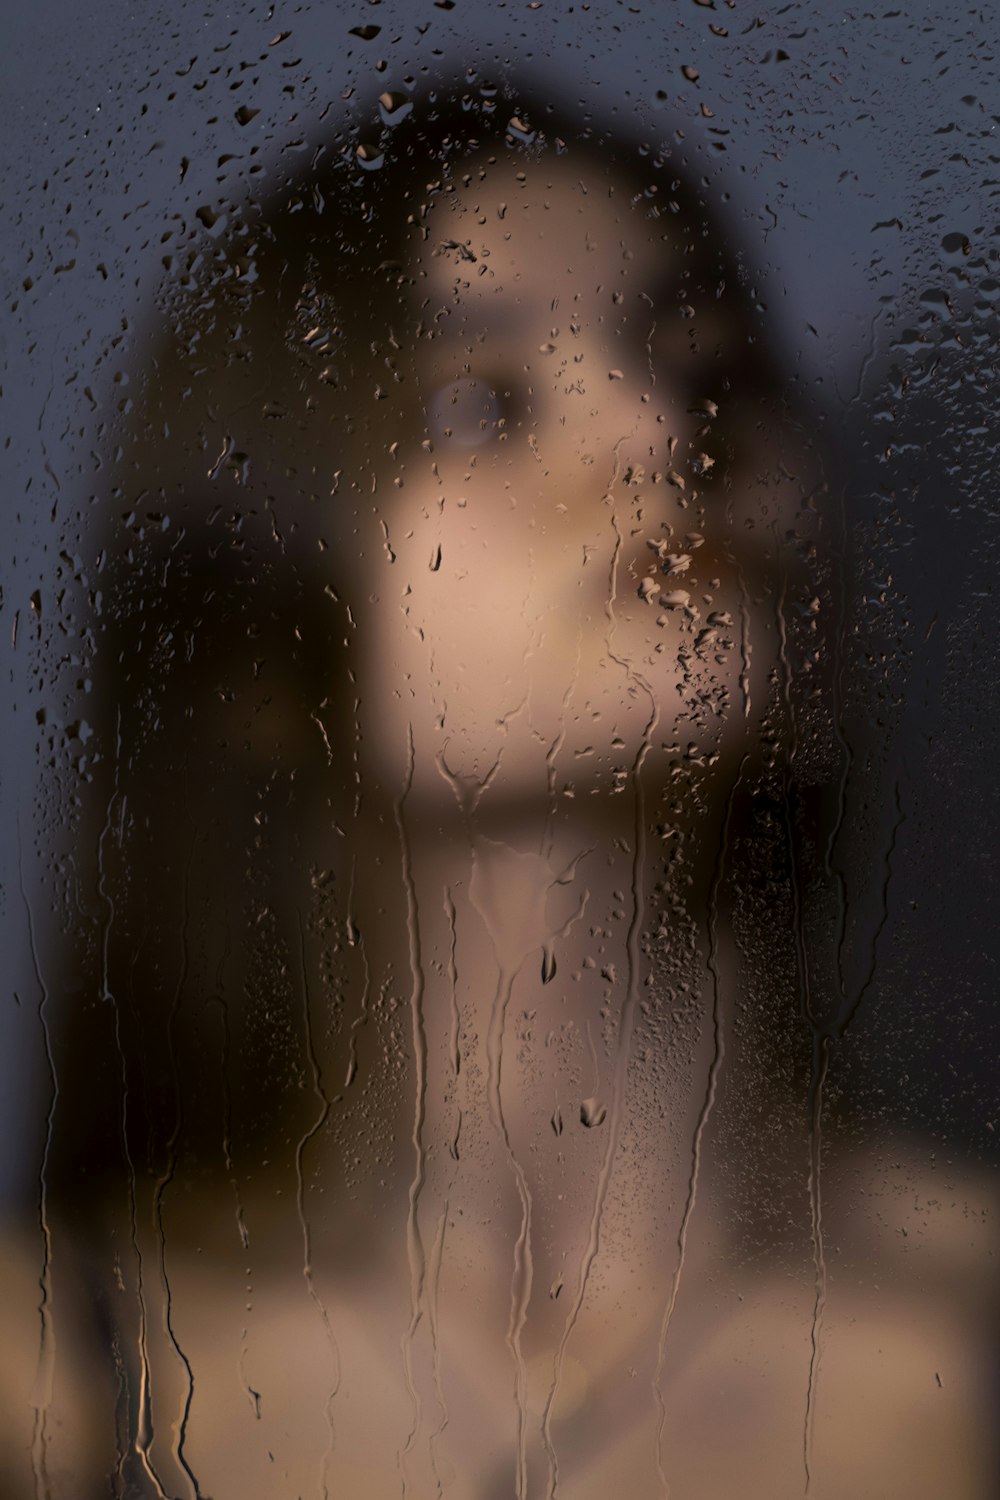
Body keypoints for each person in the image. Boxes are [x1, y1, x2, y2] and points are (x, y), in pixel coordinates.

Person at [12, 80, 994, 1500]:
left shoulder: (968, 1336)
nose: (660, 437)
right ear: (261, 661)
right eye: (476, 408)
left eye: (709, 367)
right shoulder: (50, 1377)